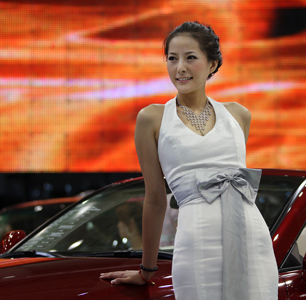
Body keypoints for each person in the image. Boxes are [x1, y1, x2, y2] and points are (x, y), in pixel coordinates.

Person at [100, 21, 278, 300]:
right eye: (172, 58)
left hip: (251, 238)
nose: (179, 67)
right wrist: (146, 270)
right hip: (196, 240)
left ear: (212, 64)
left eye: (190, 57)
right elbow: (156, 200)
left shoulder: (238, 115)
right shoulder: (152, 118)